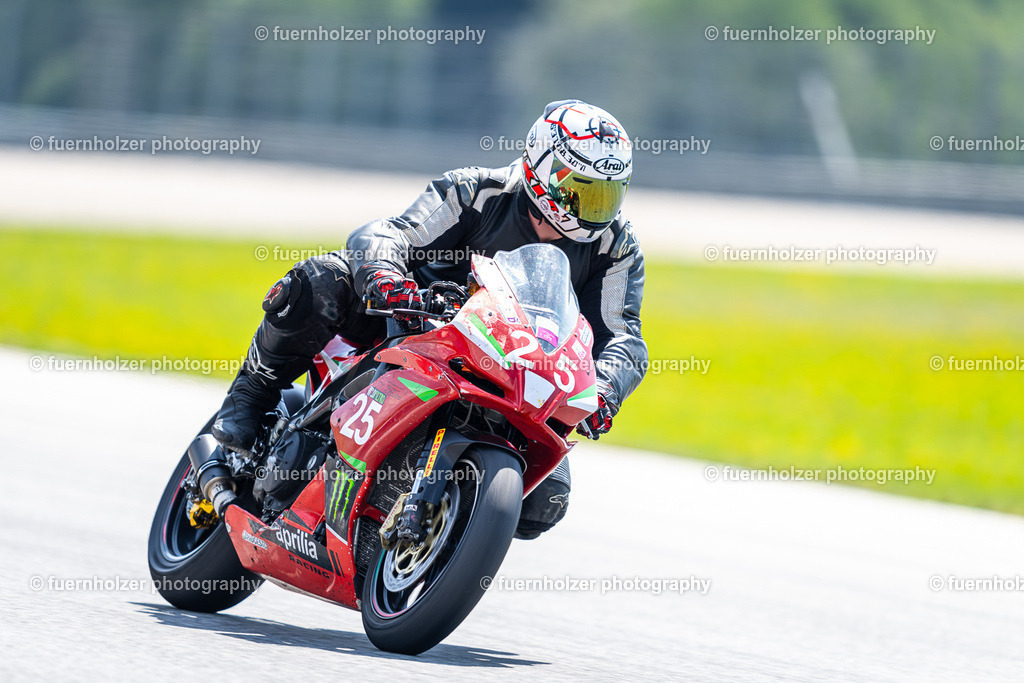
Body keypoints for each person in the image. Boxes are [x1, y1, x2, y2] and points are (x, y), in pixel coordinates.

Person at [213, 99, 648, 538]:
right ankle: (249, 397)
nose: (593, 206)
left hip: (520, 370)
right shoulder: (476, 190)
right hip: (410, 328)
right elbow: (388, 233)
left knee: (543, 502)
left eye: (605, 194)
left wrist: (606, 390)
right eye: (581, 188)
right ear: (541, 167)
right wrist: (387, 278)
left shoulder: (616, 248)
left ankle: (438, 534)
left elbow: (624, 338)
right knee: (320, 284)